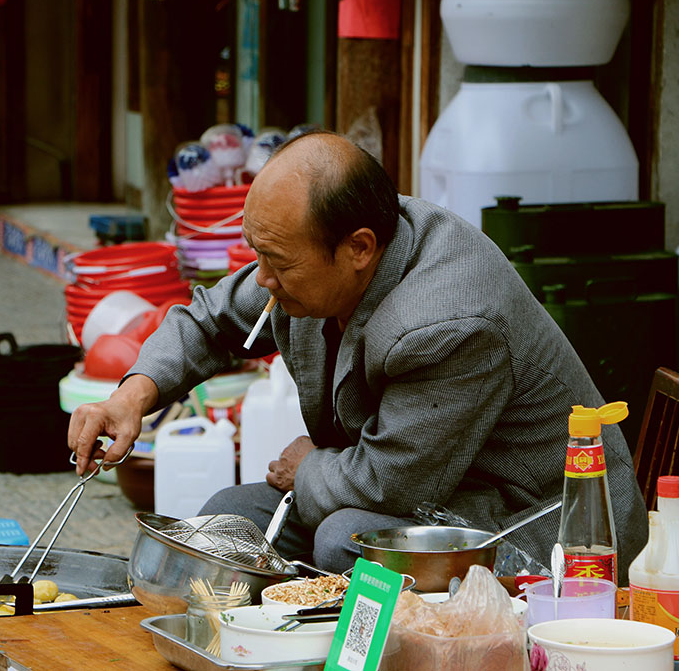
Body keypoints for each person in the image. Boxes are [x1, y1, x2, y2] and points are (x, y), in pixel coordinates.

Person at [68, 130, 648, 580]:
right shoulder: (307, 260)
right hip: (429, 496)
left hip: (541, 525)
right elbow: (211, 318)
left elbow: (390, 486)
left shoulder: (448, 322)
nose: (261, 278)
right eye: (257, 254)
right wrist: (131, 396)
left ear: (359, 249)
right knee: (229, 517)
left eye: (278, 262)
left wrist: (309, 468)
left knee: (345, 538)